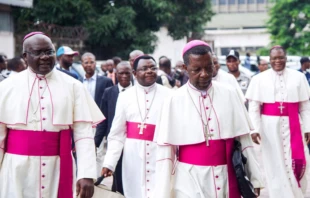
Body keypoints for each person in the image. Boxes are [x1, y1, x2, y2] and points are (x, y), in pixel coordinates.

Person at [0, 32, 104, 198]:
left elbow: (84, 134)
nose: (45, 57)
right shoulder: (6, 88)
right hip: (16, 170)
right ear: (25, 56)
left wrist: (86, 173)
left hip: (58, 166)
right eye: (38, 52)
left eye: (49, 52)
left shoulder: (74, 86)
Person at [153, 40, 263, 197]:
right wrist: (162, 192)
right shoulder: (173, 100)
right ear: (185, 69)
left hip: (226, 175)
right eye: (197, 69)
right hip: (189, 178)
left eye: (209, 68)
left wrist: (255, 178)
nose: (204, 74)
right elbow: (165, 152)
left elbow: (244, 139)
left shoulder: (229, 93)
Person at [101, 55, 171, 198]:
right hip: (132, 157)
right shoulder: (125, 96)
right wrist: (109, 162)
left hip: (160, 154)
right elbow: (117, 133)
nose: (149, 71)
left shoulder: (169, 95)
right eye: (144, 68)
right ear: (135, 73)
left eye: (153, 68)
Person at [246, 46, 310, 198]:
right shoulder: (258, 79)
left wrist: (308, 127)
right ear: (269, 60)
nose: (278, 61)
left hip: (293, 125)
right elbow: (254, 107)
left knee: (299, 159)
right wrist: (254, 130)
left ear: (286, 58)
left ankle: (296, 194)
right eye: (274, 58)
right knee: (274, 162)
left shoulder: (298, 77)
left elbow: (304, 106)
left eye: (281, 57)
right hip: (270, 128)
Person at [95, 61, 133, 195]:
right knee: (116, 178)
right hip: (115, 141)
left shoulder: (137, 93)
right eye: (121, 73)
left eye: (127, 73)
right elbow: (103, 120)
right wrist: (95, 143)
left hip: (133, 143)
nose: (124, 76)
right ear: (116, 74)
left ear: (132, 73)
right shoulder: (109, 92)